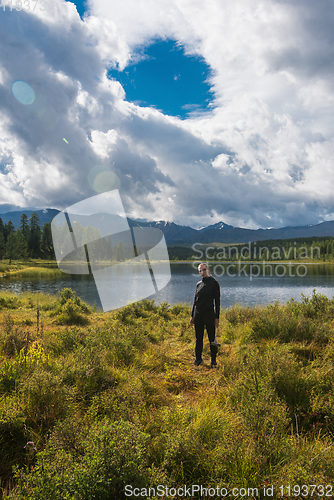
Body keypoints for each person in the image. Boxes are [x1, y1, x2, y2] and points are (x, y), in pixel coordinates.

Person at [190, 263, 220, 368]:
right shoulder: (199, 284)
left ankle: (213, 361)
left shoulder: (214, 283)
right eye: (200, 271)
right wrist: (192, 315)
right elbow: (195, 300)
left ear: (208, 269)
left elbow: (217, 302)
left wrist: (217, 318)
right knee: (198, 338)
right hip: (198, 314)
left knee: (212, 338)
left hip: (209, 314)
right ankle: (198, 359)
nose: (202, 272)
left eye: (204, 269)